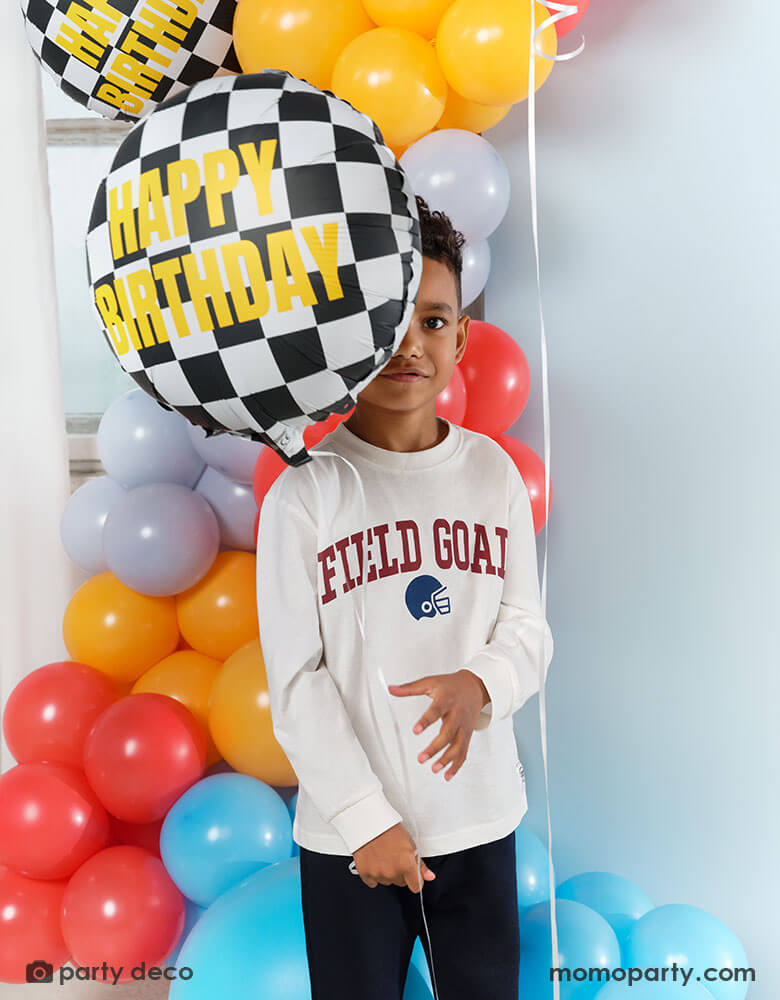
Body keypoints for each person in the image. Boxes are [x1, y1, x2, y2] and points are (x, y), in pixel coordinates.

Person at [255, 195, 554, 1000]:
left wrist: (480, 684)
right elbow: (296, 679)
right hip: (354, 843)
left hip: (480, 821)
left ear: (461, 336)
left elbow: (527, 626)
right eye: (387, 323)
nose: (409, 347)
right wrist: (365, 818)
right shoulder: (304, 496)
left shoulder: (491, 472)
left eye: (432, 321)